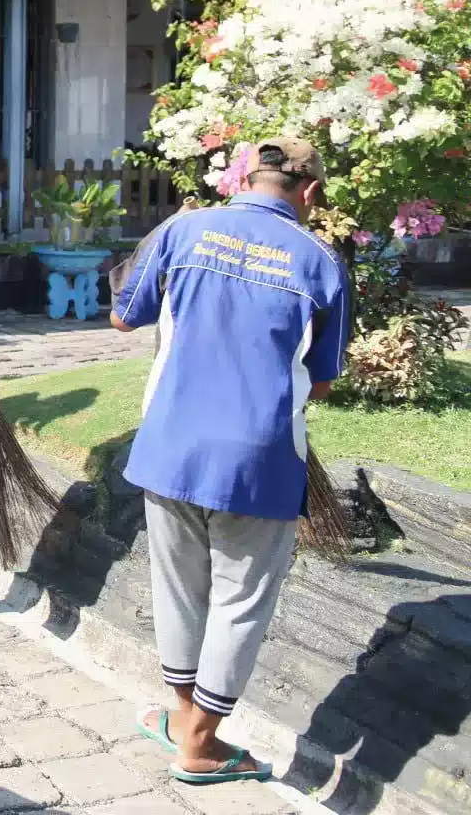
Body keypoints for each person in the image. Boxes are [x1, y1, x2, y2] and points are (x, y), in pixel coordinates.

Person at [111, 137, 348, 785]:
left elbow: (122, 316)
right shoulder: (320, 262)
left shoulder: (184, 230)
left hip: (171, 449)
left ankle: (183, 718)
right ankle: (200, 745)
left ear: (244, 178)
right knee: (240, 601)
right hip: (259, 460)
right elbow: (322, 381)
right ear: (310, 192)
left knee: (179, 593)